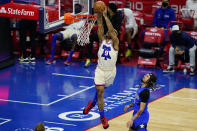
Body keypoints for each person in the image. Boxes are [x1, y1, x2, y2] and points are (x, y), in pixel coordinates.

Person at [83, 8, 119, 129]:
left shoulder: (115, 42)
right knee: (100, 91)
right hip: (100, 70)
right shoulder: (102, 40)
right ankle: (103, 117)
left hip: (110, 72)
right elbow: (100, 26)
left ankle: (92, 103)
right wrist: (99, 15)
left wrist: (106, 16)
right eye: (110, 31)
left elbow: (111, 30)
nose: (110, 32)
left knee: (99, 94)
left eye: (112, 31)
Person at [84, 3, 123, 67]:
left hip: (113, 36)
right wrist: (92, 23)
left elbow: (117, 29)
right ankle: (89, 58)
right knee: (91, 37)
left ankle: (108, 60)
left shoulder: (118, 16)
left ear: (110, 9)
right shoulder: (105, 13)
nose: (106, 8)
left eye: (108, 8)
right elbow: (99, 22)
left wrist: (109, 34)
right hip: (103, 34)